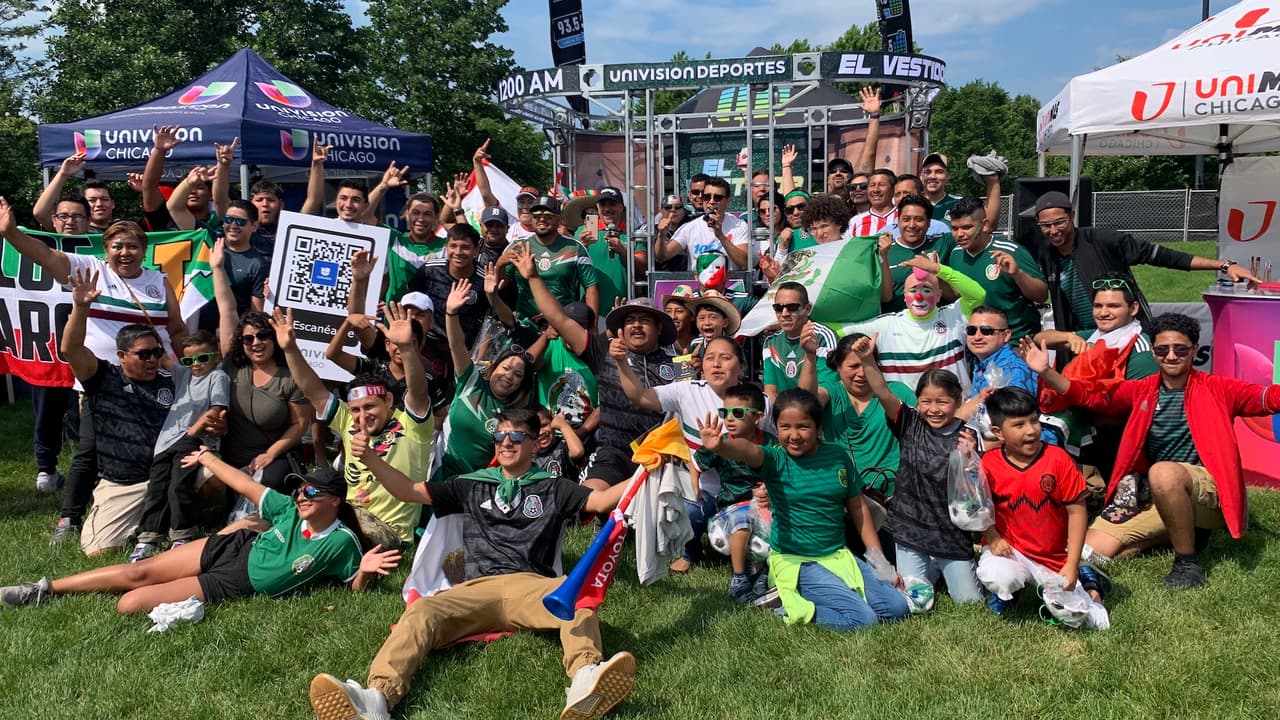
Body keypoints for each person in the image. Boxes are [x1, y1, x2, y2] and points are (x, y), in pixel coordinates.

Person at [307, 409, 636, 720]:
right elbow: (406, 491)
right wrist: (370, 458)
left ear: (535, 444)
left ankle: (584, 681)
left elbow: (603, 501)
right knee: (423, 611)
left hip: (532, 586)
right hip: (475, 588)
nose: (506, 442)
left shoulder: (554, 487)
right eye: (500, 435)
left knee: (577, 596)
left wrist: (644, 472)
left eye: (516, 436)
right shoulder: (471, 483)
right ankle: (377, 698)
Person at [1025, 313, 1280, 588]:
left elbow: (1267, 399)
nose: (1171, 356)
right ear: (1155, 352)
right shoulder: (1142, 390)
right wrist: (1046, 372)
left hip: (1208, 492)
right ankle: (1178, 532)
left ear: (1195, 349)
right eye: (1162, 350)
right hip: (1157, 490)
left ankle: (1187, 563)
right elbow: (1090, 396)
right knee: (1091, 551)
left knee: (1163, 472)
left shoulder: (1218, 387)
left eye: (1180, 349)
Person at [1, 463, 400, 613]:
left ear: (334, 500)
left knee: (130, 604)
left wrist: (363, 571)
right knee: (140, 571)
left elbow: (354, 591)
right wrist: (207, 458)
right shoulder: (288, 509)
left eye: (311, 493)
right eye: (299, 490)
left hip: (236, 582)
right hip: (232, 547)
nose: (301, 496)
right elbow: (245, 484)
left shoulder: (341, 541)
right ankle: (44, 589)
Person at [697, 389, 908, 631]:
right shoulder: (775, 460)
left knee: (897, 608)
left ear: (819, 428)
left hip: (838, 556)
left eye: (803, 427)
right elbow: (749, 450)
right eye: (785, 427)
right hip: (798, 561)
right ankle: (786, 604)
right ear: (776, 428)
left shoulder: (837, 456)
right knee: (864, 619)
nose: (793, 435)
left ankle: (821, 593)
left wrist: (880, 562)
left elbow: (859, 509)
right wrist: (721, 446)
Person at [279, 304, 433, 548]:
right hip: (346, 511)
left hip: (388, 530)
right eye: (356, 409)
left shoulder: (412, 426)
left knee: (325, 531)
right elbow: (312, 389)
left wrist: (405, 348)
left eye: (370, 407)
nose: (362, 416)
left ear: (389, 401)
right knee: (281, 512)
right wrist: (290, 349)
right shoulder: (348, 421)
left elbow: (418, 392)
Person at [852, 335, 983, 604]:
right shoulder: (910, 423)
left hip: (950, 534)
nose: (933, 409)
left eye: (942, 402)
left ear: (958, 401)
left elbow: (976, 490)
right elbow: (883, 392)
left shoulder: (967, 436)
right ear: (917, 400)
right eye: (926, 401)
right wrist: (867, 360)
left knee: (969, 603)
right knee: (916, 603)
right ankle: (928, 570)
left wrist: (971, 460)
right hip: (910, 530)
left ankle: (940, 567)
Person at [56, 269, 178, 557]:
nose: (152, 360)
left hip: (169, 473)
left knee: (209, 477)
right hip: (124, 482)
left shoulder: (171, 380)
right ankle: (149, 519)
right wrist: (81, 308)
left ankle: (174, 518)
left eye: (156, 352)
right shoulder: (102, 377)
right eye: (143, 354)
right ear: (122, 356)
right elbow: (70, 347)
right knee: (98, 550)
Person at [614, 335, 760, 572]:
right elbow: (639, 396)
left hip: (748, 490)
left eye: (725, 358)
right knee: (688, 512)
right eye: (710, 357)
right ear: (701, 364)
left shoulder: (758, 402)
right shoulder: (687, 391)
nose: (716, 364)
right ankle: (690, 552)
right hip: (703, 489)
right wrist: (621, 362)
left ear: (741, 366)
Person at [976, 388, 1109, 628]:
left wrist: (1071, 564)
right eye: (1018, 425)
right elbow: (979, 509)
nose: (1030, 430)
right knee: (1000, 576)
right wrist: (992, 537)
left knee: (1086, 621)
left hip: (1053, 558)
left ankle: (1090, 580)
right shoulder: (988, 463)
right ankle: (1008, 594)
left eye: (1034, 421)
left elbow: (1077, 512)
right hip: (1010, 550)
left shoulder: (1058, 459)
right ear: (998, 432)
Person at [1034, 190, 1258, 333]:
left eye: (1060, 222)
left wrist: (1223, 265)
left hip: (1124, 335)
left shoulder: (1102, 240)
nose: (1053, 230)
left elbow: (1162, 256)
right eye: (1046, 225)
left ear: (1072, 216)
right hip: (1080, 342)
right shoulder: (1045, 253)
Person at [1033, 274, 1158, 472]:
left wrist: (1077, 407)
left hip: (1119, 438)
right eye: (1098, 306)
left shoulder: (1140, 349)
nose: (1103, 312)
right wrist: (1067, 336)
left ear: (1133, 309)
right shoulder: (1094, 336)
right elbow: (1039, 338)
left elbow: (1137, 410)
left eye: (1113, 306)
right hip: (1087, 426)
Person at [212, 240, 310, 492]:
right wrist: (218, 268)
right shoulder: (231, 365)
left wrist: (269, 454)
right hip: (232, 461)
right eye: (248, 338)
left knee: (270, 487)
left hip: (274, 458)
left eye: (263, 335)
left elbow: (300, 425)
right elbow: (227, 309)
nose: (256, 342)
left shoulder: (290, 376)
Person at [131, 331, 230, 561]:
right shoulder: (183, 373)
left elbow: (216, 408)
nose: (196, 364)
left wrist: (193, 431)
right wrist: (155, 334)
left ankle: (182, 533)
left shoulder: (218, 376)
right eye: (189, 360)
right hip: (165, 442)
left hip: (191, 439)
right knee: (157, 487)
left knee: (180, 485)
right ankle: (149, 535)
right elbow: (165, 357)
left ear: (215, 357)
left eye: (203, 358)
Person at [840, 257, 986, 395]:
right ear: (904, 296)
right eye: (913, 290)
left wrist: (936, 268)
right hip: (906, 415)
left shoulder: (953, 316)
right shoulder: (885, 325)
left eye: (927, 290)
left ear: (938, 295)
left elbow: (978, 294)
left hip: (955, 412)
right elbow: (836, 331)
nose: (919, 296)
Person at [437, 280, 536, 481]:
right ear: (493, 368)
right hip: (436, 469)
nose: (509, 376)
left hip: (472, 486)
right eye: (506, 368)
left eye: (518, 375)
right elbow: (456, 344)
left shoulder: (513, 416)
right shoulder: (471, 379)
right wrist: (451, 313)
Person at [802, 332, 916, 505]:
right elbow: (805, 402)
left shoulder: (897, 392)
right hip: (844, 498)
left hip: (898, 497)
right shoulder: (832, 393)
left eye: (866, 363)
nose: (861, 373)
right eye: (854, 366)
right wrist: (810, 356)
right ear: (838, 367)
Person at [691, 383, 774, 602]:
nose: (728, 418)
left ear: (757, 417)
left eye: (737, 413)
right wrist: (695, 486)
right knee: (743, 523)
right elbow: (696, 462)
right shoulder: (722, 442)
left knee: (778, 527)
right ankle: (739, 577)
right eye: (724, 412)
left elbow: (780, 473)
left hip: (765, 504)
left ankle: (763, 573)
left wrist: (769, 490)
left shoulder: (770, 443)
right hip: (732, 506)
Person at [28, 194, 89, 493]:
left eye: (77, 216)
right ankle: (46, 470)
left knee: (86, 412)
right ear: (52, 221)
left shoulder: (100, 249)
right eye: (63, 216)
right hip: (46, 346)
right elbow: (36, 211)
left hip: (87, 347)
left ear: (88, 222)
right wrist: (64, 172)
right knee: (47, 409)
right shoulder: (37, 245)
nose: (69, 221)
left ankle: (87, 469)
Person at [946, 196, 1046, 342]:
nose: (959, 234)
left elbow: (1042, 295)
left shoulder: (1012, 251)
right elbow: (957, 295)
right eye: (955, 228)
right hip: (976, 341)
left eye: (967, 227)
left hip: (1015, 341)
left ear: (984, 225)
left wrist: (1018, 274)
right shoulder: (956, 254)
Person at [499, 195, 601, 328]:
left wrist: (591, 325)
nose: (541, 219)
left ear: (559, 219)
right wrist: (499, 264)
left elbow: (591, 287)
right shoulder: (517, 246)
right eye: (536, 214)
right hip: (526, 324)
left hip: (564, 325)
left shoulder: (575, 248)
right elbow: (500, 285)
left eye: (548, 215)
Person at [657, 177, 759, 272]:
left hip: (729, 285)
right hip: (698, 286)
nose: (711, 201)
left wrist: (720, 236)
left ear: (727, 202)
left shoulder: (739, 226)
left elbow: (744, 263)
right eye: (707, 197)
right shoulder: (690, 227)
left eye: (717, 198)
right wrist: (661, 235)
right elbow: (662, 256)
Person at [880, 194, 957, 313]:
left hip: (936, 325)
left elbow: (954, 298)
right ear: (898, 221)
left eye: (919, 219)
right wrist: (883, 256)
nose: (912, 225)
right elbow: (885, 298)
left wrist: (935, 271)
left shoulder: (943, 242)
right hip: (896, 326)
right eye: (906, 219)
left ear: (929, 223)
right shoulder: (883, 250)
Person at [198, 199, 267, 331]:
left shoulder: (257, 264)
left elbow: (256, 314)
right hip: (199, 332)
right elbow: (174, 209)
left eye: (240, 222)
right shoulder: (209, 242)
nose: (233, 226)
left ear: (254, 226)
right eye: (229, 220)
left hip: (232, 333)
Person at [761, 283, 837, 401]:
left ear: (807, 309)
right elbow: (770, 391)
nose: (785, 314)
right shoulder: (770, 341)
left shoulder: (824, 337)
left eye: (792, 307)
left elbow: (826, 391)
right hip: (781, 415)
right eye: (778, 308)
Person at [533, 405, 585, 482]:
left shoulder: (564, 445)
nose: (541, 432)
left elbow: (577, 452)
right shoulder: (527, 457)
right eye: (535, 429)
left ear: (553, 423)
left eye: (544, 425)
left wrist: (563, 425)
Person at [846, 168, 896, 239]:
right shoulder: (855, 221)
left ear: (892, 189)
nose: (876, 190)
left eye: (882, 185)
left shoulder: (903, 216)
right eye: (872, 185)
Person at [662, 285, 699, 358]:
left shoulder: (702, 344)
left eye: (679, 311)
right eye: (668, 311)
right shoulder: (661, 346)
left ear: (692, 316)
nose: (673, 317)